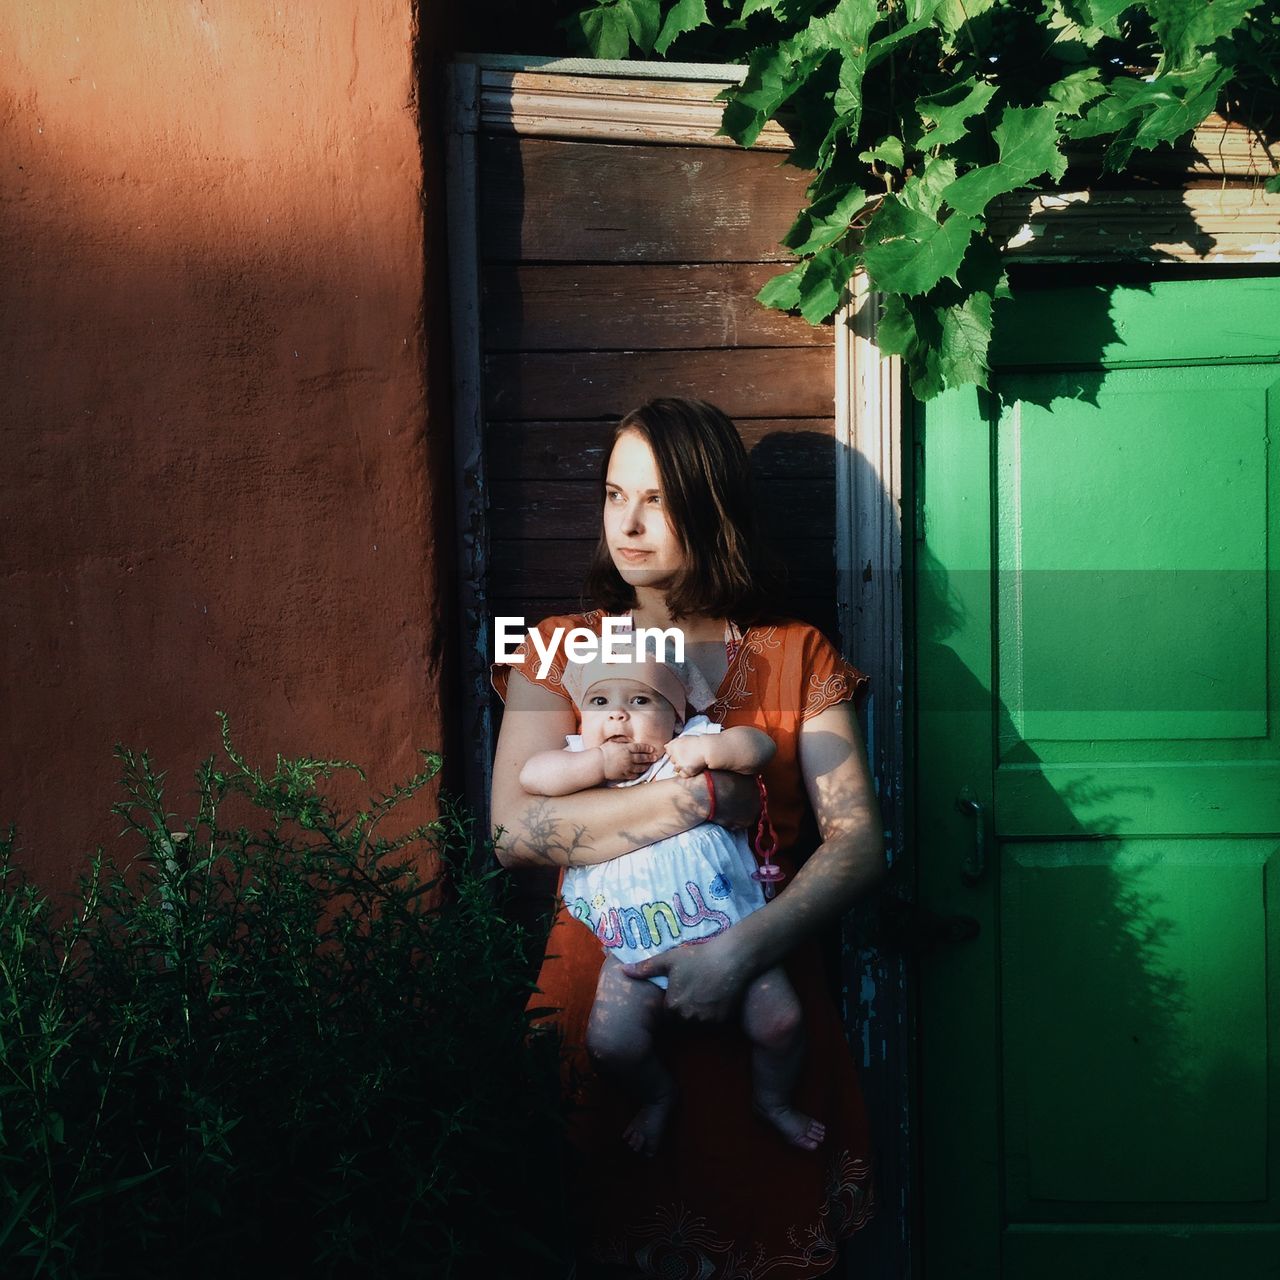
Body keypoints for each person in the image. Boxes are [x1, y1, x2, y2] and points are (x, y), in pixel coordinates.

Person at [490, 398, 885, 1279]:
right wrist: (699, 801)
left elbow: (857, 843)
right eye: (612, 494)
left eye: (657, 500)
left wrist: (739, 955)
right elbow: (517, 833)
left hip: (760, 1007)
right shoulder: (556, 653)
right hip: (606, 1002)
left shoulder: (796, 657)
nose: (626, 524)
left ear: (713, 508)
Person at [519, 649, 826, 1157]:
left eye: (640, 700)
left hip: (730, 936)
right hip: (632, 955)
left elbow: (759, 749)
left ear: (679, 717)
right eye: (599, 701)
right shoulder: (577, 762)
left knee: (781, 1022)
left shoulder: (689, 745)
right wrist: (596, 762)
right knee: (611, 1044)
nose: (617, 714)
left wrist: (714, 749)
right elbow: (533, 777)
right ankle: (658, 1095)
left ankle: (772, 1100)